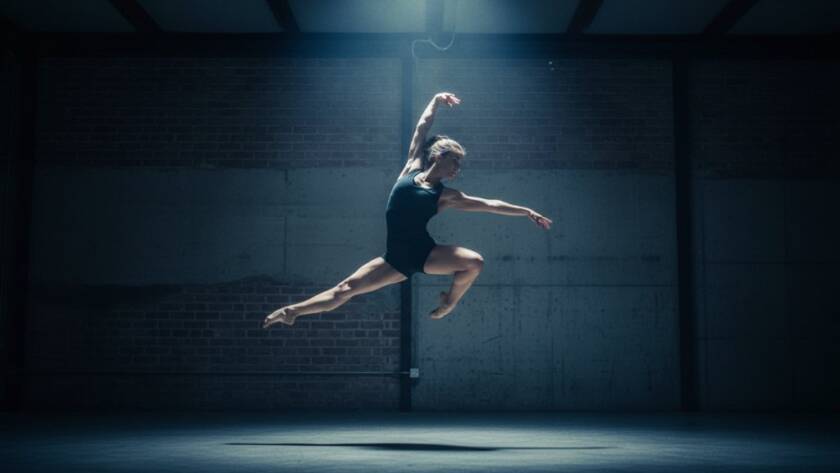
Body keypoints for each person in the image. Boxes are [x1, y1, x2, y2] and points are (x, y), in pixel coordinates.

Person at [263, 92, 552, 328]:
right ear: (439, 157)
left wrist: (526, 211)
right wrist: (437, 100)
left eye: (459, 165)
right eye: (455, 162)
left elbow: (490, 205)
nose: (457, 169)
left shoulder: (446, 196)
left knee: (474, 261)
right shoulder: (411, 167)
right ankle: (293, 312)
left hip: (425, 254)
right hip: (396, 260)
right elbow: (422, 127)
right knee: (345, 290)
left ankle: (449, 302)